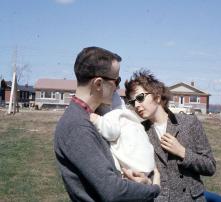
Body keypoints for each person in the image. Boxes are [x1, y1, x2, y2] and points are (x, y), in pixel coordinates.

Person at [54, 47, 160, 202]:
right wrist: (153, 188)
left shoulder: (90, 118)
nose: (118, 88)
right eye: (116, 81)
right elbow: (113, 192)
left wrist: (133, 178)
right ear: (98, 84)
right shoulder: (77, 127)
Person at [124, 69, 221, 202]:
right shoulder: (140, 131)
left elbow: (210, 167)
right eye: (132, 102)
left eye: (140, 98)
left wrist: (182, 152)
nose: (136, 105)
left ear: (157, 96)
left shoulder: (189, 123)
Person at [90, 91, 155, 175]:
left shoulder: (114, 115)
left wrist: (98, 120)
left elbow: (111, 133)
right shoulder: (129, 116)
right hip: (148, 163)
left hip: (136, 166)